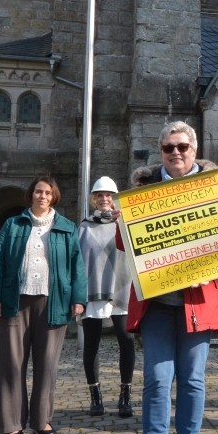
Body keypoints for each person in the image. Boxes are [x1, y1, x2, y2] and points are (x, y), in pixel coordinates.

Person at [123, 121, 218, 434]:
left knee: (192, 381)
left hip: (197, 302)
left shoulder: (214, 188)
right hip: (157, 304)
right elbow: (127, 248)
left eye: (183, 146)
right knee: (157, 381)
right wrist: (125, 226)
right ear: (161, 151)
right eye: (169, 147)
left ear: (195, 149)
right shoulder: (142, 190)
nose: (176, 152)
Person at [0, 176, 87, 434]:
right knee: (10, 364)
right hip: (13, 302)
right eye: (38, 192)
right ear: (31, 195)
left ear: (54, 197)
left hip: (54, 302)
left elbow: (77, 265)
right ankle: (11, 425)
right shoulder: (13, 225)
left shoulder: (66, 227)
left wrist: (79, 299)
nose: (42, 196)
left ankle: (42, 421)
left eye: (48, 193)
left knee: (47, 365)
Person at [79, 175, 135, 418]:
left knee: (126, 341)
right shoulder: (84, 226)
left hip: (121, 288)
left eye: (108, 195)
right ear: (94, 198)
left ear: (114, 199)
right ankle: (96, 397)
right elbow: (79, 261)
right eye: (100, 195)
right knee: (91, 344)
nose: (104, 199)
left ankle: (125, 396)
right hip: (93, 291)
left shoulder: (125, 224)